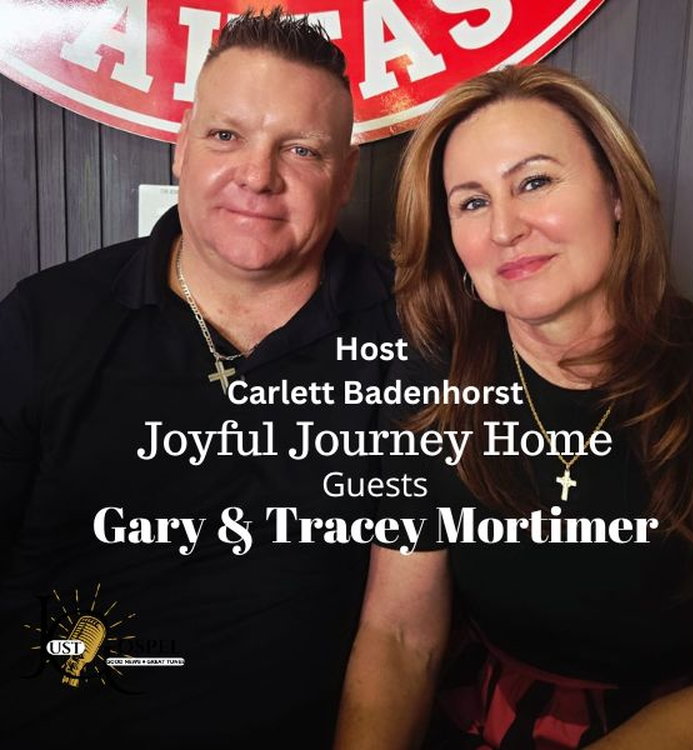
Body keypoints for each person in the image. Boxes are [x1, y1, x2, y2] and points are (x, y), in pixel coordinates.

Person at [0, 8, 399, 748]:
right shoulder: (45, 320)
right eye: (225, 136)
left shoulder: (411, 332)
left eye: (301, 150)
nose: (258, 176)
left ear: (345, 177)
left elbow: (403, 629)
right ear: (181, 146)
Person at [335, 66, 693, 749]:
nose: (504, 229)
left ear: (616, 193)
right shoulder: (433, 381)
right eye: (472, 202)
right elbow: (400, 638)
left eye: (534, 182)